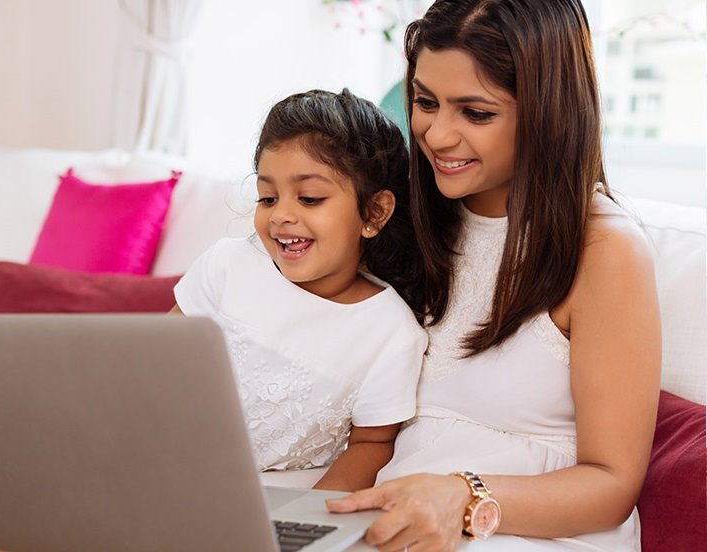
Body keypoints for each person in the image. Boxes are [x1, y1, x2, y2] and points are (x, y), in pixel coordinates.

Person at [326, 1, 661, 551]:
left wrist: (463, 496)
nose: (436, 136)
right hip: (402, 518)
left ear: (549, 112)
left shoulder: (606, 249)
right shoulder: (419, 214)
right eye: (425, 102)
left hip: (530, 529)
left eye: (475, 113)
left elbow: (612, 484)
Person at [171, 88, 428, 492]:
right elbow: (152, 360)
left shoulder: (391, 332)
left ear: (374, 212)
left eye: (309, 198)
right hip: (163, 468)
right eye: (267, 197)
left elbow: (373, 443)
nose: (281, 216)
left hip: (271, 499)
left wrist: (315, 520)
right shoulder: (228, 266)